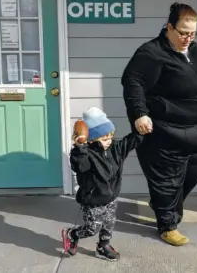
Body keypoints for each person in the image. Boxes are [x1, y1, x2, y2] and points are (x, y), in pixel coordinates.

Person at [121, 2, 197, 246]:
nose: (187, 38)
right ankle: (167, 225)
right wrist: (139, 113)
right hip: (166, 132)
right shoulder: (151, 53)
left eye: (192, 33)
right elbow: (133, 82)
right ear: (169, 27)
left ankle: (164, 205)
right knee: (167, 181)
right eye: (183, 33)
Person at [61, 107, 147, 261]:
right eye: (105, 138)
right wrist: (80, 146)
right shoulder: (86, 154)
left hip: (111, 196)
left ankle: (103, 246)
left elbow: (130, 141)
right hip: (94, 199)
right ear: (92, 139)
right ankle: (72, 234)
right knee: (92, 228)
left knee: (109, 223)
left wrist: (141, 131)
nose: (109, 141)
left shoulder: (115, 149)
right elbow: (79, 166)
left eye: (111, 136)